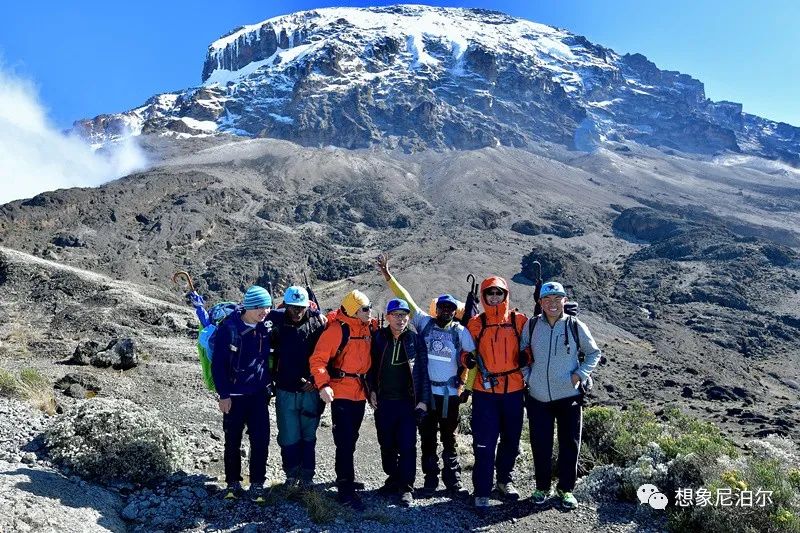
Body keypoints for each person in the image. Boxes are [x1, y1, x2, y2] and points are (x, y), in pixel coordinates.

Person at [376, 254, 474, 498]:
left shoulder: (460, 331)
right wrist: (389, 276)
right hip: (426, 395)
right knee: (428, 439)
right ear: (436, 308)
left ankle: (453, 482)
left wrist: (467, 389)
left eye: (451, 308)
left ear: (455, 311)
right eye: (442, 307)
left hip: (450, 394)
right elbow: (405, 299)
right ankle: (430, 480)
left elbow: (473, 360)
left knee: (450, 439)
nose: (446, 311)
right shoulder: (424, 323)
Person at [520, 281, 601, 510]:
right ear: (541, 303)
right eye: (548, 300)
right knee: (540, 444)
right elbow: (521, 354)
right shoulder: (532, 326)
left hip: (569, 397)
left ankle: (566, 490)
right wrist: (528, 376)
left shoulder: (576, 325)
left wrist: (580, 375)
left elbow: (593, 353)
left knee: (569, 444)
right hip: (538, 397)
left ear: (565, 301)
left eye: (557, 299)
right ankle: (542, 487)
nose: (552, 304)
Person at [463, 276, 528, 510]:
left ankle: (503, 482)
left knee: (511, 440)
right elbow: (465, 352)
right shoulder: (475, 324)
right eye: (490, 293)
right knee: (484, 443)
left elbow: (530, 348)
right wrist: (467, 359)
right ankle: (481, 490)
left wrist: (526, 357)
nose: (494, 297)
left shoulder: (519, 321)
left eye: (499, 293)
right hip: (485, 393)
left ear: (506, 294)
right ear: (483, 295)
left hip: (513, 391)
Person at [309, 289, 374, 510]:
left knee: (352, 438)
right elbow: (318, 360)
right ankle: (345, 488)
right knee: (344, 441)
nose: (369, 312)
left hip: (359, 391)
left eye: (369, 307)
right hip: (342, 392)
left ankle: (346, 477)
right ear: (354, 311)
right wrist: (323, 385)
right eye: (365, 309)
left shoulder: (367, 328)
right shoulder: (338, 330)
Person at [211, 285, 274, 503]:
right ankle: (233, 483)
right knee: (232, 441)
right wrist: (223, 395)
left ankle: (257, 484)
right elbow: (218, 365)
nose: (264, 312)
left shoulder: (265, 326)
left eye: (267, 307)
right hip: (234, 397)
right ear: (248, 307)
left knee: (261, 440)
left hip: (258, 395)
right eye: (260, 307)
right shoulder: (228, 328)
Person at [367, 298, 431, 506]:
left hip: (407, 403)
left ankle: (406, 487)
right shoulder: (378, 338)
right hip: (384, 402)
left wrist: (423, 401)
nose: (400, 319)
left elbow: (423, 371)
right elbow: (370, 368)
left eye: (404, 315)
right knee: (386, 444)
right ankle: (392, 479)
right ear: (387, 317)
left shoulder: (415, 339)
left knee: (407, 445)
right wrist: (372, 391)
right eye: (396, 315)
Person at [268, 286, 327, 489]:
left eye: (300, 307)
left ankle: (308, 476)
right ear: (286, 306)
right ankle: (291, 475)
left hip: (310, 391)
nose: (297, 312)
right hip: (284, 390)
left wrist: (316, 379)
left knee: (308, 434)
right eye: (292, 307)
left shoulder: (318, 323)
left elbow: (326, 355)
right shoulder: (275, 320)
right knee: (288, 435)